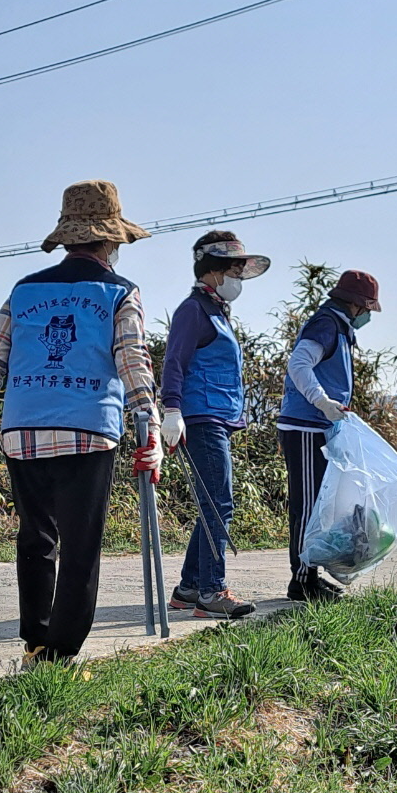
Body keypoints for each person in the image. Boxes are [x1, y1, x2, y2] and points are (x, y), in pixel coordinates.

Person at [0, 180, 161, 665]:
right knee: (80, 546)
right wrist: (149, 426)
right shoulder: (119, 292)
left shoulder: (25, 290)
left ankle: (35, 640)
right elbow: (133, 360)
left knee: (35, 538)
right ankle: (61, 653)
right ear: (111, 241)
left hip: (23, 431)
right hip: (89, 430)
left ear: (68, 237)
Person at [160, 231, 270, 619]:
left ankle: (189, 588)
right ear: (213, 271)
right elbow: (174, 360)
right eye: (233, 270)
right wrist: (171, 408)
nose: (239, 278)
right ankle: (212, 591)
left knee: (211, 504)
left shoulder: (216, 310)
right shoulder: (194, 310)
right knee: (220, 503)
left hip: (217, 416)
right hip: (201, 417)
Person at [276, 269, 381, 602]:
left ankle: (310, 575)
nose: (367, 315)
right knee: (307, 507)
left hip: (319, 426)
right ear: (356, 304)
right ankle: (302, 581)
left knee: (320, 504)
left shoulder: (339, 328)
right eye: (367, 308)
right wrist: (321, 402)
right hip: (305, 426)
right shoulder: (326, 325)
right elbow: (299, 364)